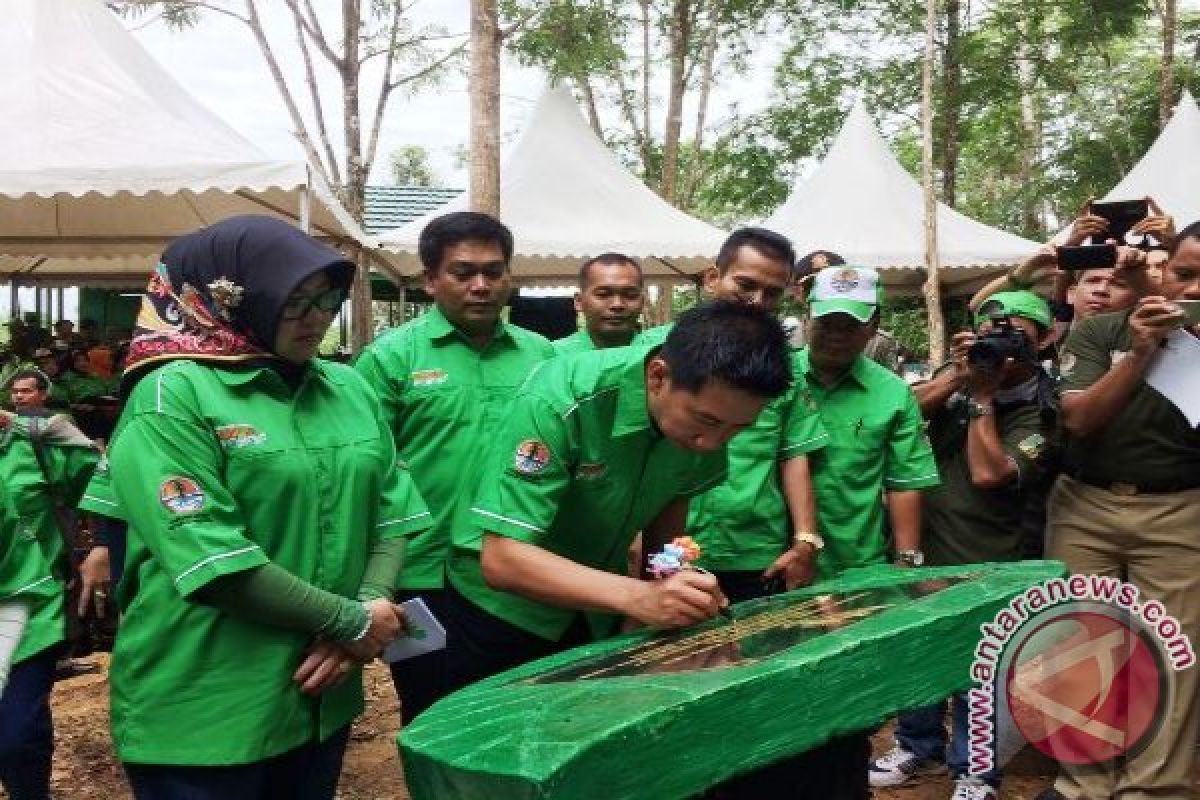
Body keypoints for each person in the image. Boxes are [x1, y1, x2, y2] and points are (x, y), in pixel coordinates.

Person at [103, 215, 430, 800]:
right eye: (293, 302)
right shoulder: (173, 394)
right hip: (208, 706)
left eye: (326, 300)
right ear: (227, 302)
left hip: (318, 698)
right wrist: (352, 623)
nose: (317, 319)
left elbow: (392, 513)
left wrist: (366, 605)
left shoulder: (346, 387)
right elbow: (212, 559)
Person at [440, 300, 792, 694]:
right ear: (658, 377)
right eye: (705, 421)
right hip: (500, 615)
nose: (713, 443)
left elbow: (670, 509)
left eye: (737, 429)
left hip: (596, 611)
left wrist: (673, 584)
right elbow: (502, 559)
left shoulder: (714, 416)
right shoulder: (560, 398)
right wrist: (638, 597)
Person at [354, 211, 555, 723]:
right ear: (431, 280)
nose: (481, 285)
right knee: (429, 712)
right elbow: (369, 471)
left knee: (518, 707)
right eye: (464, 273)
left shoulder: (544, 358)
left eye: (494, 271)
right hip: (423, 574)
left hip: (517, 572)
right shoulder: (390, 359)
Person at [871, 291, 1060, 800]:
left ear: (1046, 340)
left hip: (991, 559)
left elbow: (988, 473)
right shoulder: (955, 381)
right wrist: (959, 374)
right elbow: (898, 417)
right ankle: (917, 744)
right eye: (992, 332)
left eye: (1017, 334)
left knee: (979, 667)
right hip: (924, 547)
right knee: (918, 652)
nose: (1003, 345)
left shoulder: (1046, 409)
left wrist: (982, 397)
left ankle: (975, 772)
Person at [1036, 228, 1200, 800]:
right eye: (1184, 274)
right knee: (1079, 645)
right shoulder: (1101, 331)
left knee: (1174, 653)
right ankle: (1084, 784)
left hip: (1181, 513)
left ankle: (1154, 789)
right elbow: (1078, 421)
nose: (1192, 288)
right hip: (1086, 506)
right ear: (1162, 274)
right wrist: (1139, 352)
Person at [799, 266, 940, 581]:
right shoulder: (775, 379)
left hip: (857, 567)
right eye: (826, 323)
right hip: (778, 564)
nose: (836, 335)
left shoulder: (894, 393)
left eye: (850, 326)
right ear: (807, 315)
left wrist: (907, 564)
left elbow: (905, 482)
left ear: (874, 326)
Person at [0, 397, 99, 800]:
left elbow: (111, 482)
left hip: (28, 610)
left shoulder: (31, 444)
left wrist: (104, 545)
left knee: (17, 736)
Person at [791, 250, 903, 372]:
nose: (817, 292)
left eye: (836, 286)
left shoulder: (878, 343)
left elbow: (890, 385)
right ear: (797, 292)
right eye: (811, 286)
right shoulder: (781, 339)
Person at [554, 253, 645, 354]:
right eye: (603, 294)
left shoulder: (658, 354)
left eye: (630, 295)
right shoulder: (555, 356)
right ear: (579, 301)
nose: (617, 304)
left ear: (642, 302)